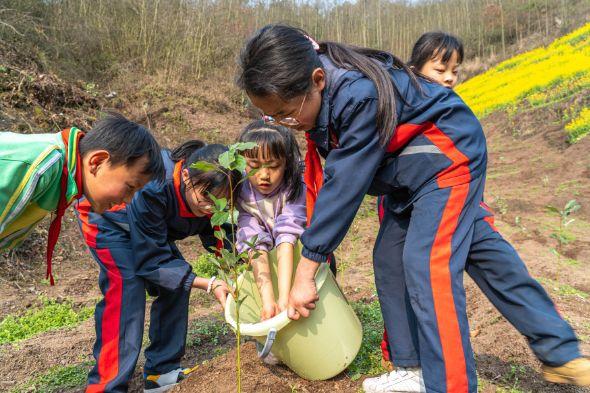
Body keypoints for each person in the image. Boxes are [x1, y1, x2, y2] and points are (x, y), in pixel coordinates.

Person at [236, 24, 590, 393]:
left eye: (286, 113)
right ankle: (548, 355)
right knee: (402, 258)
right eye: (272, 117)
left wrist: (306, 270)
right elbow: (335, 179)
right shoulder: (321, 92)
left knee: (427, 263)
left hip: (446, 157)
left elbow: (344, 184)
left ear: (317, 79)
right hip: (405, 172)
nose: (284, 124)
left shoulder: (358, 95)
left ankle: (451, 386)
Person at [367, 31, 588, 393]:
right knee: (393, 265)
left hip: (455, 201)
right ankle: (411, 366)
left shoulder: (450, 111)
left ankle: (561, 354)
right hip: (408, 204)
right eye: (441, 68)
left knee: (501, 264)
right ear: (413, 69)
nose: (451, 78)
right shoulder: (401, 102)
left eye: (456, 70)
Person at [75, 140, 238, 393]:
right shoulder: (155, 187)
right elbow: (152, 261)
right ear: (185, 175)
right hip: (108, 218)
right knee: (127, 289)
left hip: (148, 232)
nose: (210, 207)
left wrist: (242, 267)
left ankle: (161, 373)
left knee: (176, 280)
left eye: (221, 202)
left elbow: (222, 240)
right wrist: (210, 284)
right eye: (205, 197)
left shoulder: (211, 197)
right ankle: (105, 387)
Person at [0, 112, 163, 284]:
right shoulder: (43, 164)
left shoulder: (65, 178)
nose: (129, 200)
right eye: (130, 187)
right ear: (97, 162)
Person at [236, 120, 307, 320]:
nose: (263, 175)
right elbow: (254, 243)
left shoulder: (295, 186)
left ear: (287, 163)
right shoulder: (241, 192)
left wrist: (284, 298)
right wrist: (269, 302)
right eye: (253, 166)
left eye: (274, 166)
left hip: (303, 257)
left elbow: (287, 235)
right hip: (269, 267)